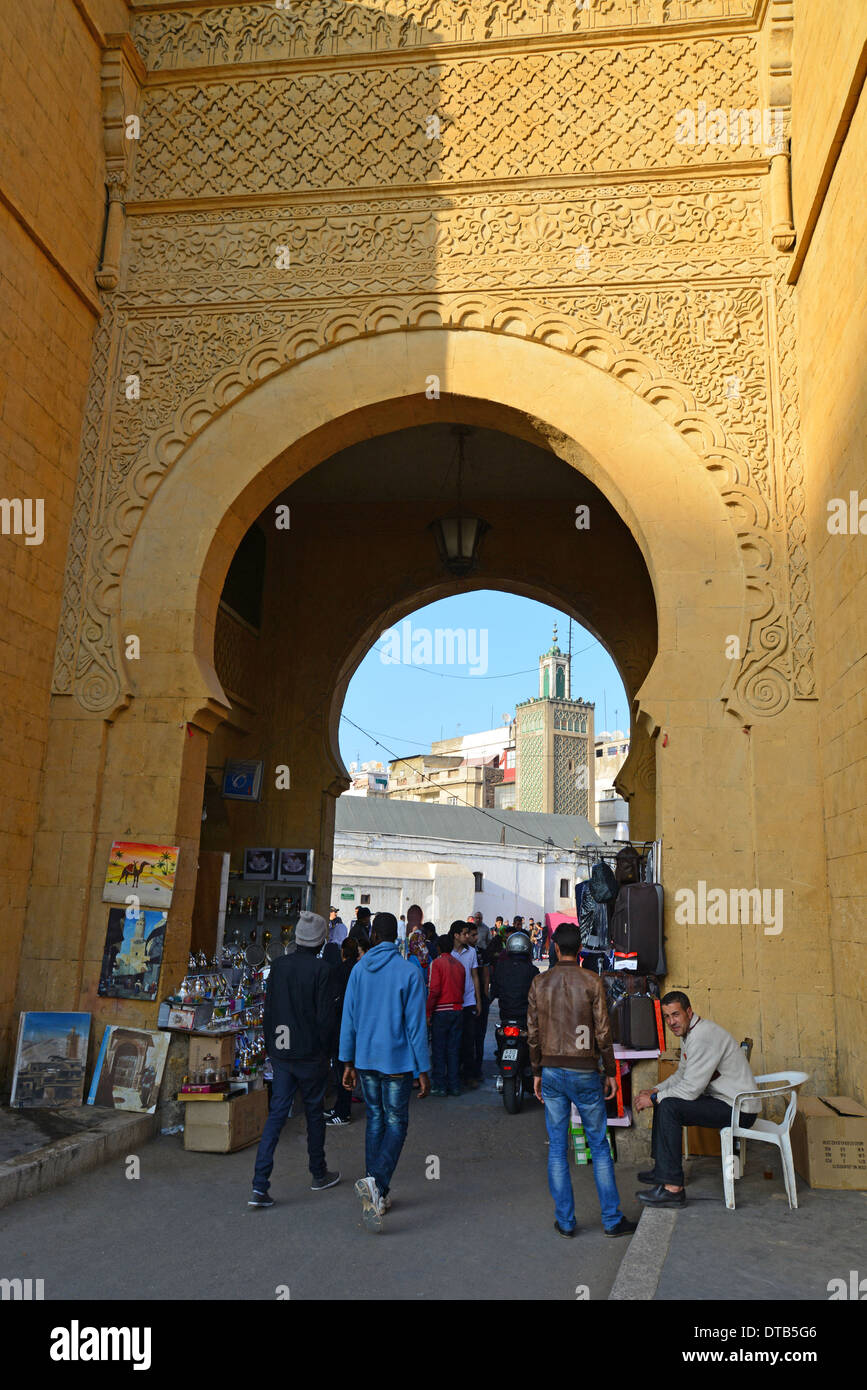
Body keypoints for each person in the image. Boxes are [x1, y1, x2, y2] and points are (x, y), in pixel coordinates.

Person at [527, 921, 636, 1238]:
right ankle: (612, 1220)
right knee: (599, 1147)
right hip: (586, 1071)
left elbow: (533, 1034)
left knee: (557, 1149)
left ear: (556, 948)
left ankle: (565, 1221)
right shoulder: (592, 981)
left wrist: (536, 1071)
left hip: (551, 1071)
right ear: (580, 950)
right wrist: (611, 1071)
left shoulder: (539, 983)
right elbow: (603, 1032)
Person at [339, 912, 430, 1232]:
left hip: (365, 1060)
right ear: (397, 937)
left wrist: (347, 1061)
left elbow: (347, 1020)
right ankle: (376, 1184)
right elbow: (416, 1026)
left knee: (376, 1120)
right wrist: (422, 1068)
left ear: (374, 936)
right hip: (398, 1062)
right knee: (396, 1123)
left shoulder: (359, 971)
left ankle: (377, 1193)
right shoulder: (409, 971)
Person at [633, 991, 759, 1208]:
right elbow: (682, 1075)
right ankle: (663, 1170)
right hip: (724, 1101)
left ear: (688, 1012)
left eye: (676, 1015)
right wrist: (655, 1090)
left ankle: (673, 1190)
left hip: (740, 1110)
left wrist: (654, 1099)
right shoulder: (691, 1034)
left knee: (669, 1106)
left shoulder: (702, 1036)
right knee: (666, 1103)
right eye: (667, 1017)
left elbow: (690, 1090)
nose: (672, 1022)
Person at [249, 910, 340, 1207]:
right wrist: (327, 1054)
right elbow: (326, 1020)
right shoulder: (322, 970)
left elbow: (270, 1010)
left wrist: (271, 1049)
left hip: (282, 1053)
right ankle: (318, 1172)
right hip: (311, 1055)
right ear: (321, 941)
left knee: (277, 1115)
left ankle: (259, 1185)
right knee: (314, 1114)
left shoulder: (280, 966)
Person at [324, 935, 360, 1126]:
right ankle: (339, 1107)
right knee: (344, 1068)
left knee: (343, 1070)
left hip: (341, 1027)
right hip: (352, 1026)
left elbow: (335, 1001)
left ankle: (343, 1112)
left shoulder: (341, 971)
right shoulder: (358, 970)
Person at [426, 933, 465, 1096]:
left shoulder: (437, 963)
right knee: (453, 1049)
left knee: (439, 1050)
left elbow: (434, 991)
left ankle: (439, 1085)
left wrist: (428, 1012)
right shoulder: (459, 965)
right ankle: (454, 1085)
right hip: (457, 1009)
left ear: (439, 947)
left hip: (441, 1011)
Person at [449, 920, 482, 1088]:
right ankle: (454, 1075)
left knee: (469, 1041)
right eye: (465, 933)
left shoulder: (471, 952)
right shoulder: (448, 953)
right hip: (452, 1002)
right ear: (456, 935)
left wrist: (478, 1000)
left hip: (468, 1001)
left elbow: (475, 975)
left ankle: (469, 1075)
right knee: (454, 1041)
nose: (468, 936)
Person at [490, 930, 538, 1026]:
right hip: (524, 1015)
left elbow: (494, 990)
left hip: (505, 1013)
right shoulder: (532, 970)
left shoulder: (501, 967)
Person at [467, 919, 489, 1083]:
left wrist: (484, 996)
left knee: (479, 1037)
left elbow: (485, 974)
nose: (475, 938)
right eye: (472, 935)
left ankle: (477, 1070)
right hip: (467, 1000)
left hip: (479, 998)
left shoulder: (481, 952)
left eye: (476, 934)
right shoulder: (461, 953)